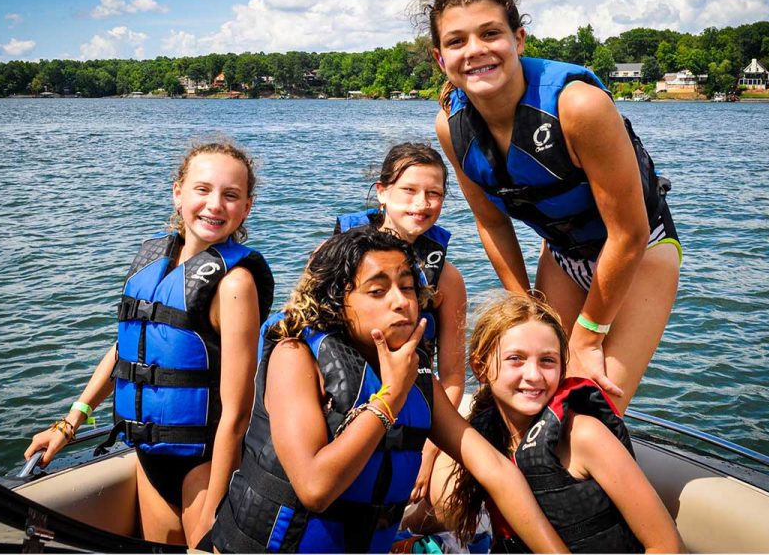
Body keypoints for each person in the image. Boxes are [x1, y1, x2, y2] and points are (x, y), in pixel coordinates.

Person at [419, 0, 681, 413]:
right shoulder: (452, 128)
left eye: (490, 33)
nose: (476, 50)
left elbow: (629, 232)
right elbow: (492, 222)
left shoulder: (578, 106)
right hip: (563, 256)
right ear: (441, 59)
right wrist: (527, 310)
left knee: (587, 409)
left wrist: (588, 335)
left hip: (639, 254)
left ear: (518, 40)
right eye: (457, 41)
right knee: (527, 405)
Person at [211, 229, 568, 553]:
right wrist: (390, 396)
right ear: (339, 300)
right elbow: (314, 488)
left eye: (408, 287)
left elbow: (492, 468)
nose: (400, 301)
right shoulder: (297, 357)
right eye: (377, 291)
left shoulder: (415, 372)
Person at [24, 141, 275, 548]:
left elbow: (237, 412)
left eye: (231, 195)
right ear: (178, 192)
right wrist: (69, 423)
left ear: (246, 207)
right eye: (202, 189)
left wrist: (217, 504)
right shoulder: (154, 261)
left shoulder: (234, 284)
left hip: (204, 462)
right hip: (149, 456)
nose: (215, 205)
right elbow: (127, 350)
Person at [413, 293, 684, 553]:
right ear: (481, 367)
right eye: (515, 359)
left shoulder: (583, 436)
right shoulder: (487, 438)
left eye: (547, 361)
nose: (533, 375)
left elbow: (666, 546)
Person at [333, 142, 467, 504]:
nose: (421, 204)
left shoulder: (447, 280)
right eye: (409, 190)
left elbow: (453, 376)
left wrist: (428, 451)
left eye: (434, 194)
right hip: (346, 402)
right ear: (383, 192)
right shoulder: (336, 259)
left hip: (415, 409)